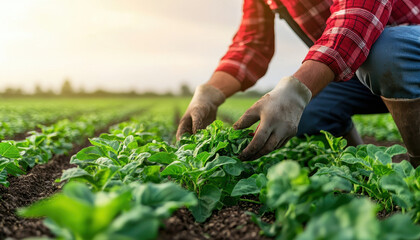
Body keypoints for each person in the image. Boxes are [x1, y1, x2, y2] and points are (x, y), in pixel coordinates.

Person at [176, 0, 420, 166]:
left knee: (386, 50)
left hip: (405, 54)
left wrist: (295, 91)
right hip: (364, 68)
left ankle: (415, 176)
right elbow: (250, 45)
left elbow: (357, 17)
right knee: (306, 118)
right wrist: (210, 93)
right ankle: (366, 170)